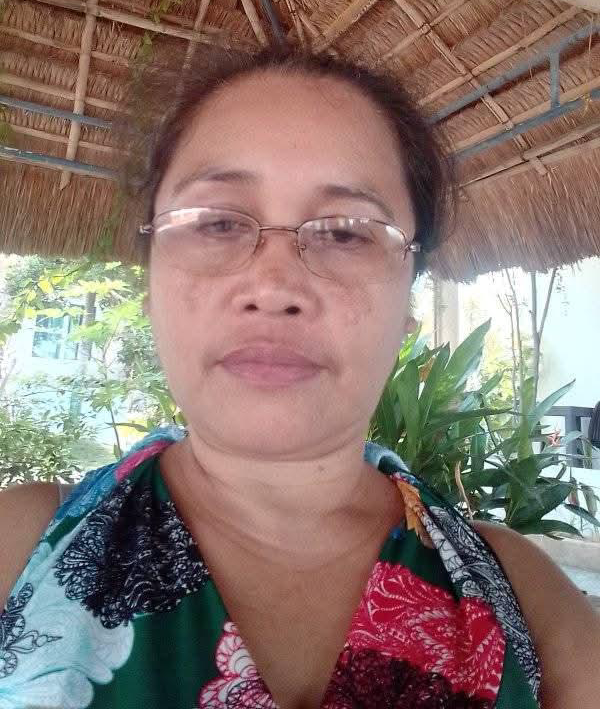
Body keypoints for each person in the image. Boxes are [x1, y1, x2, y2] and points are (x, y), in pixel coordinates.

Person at [1, 46, 599, 709]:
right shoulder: (16, 548)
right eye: (218, 222)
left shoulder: (525, 596)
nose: (273, 286)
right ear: (150, 283)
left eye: (346, 233)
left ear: (407, 303)